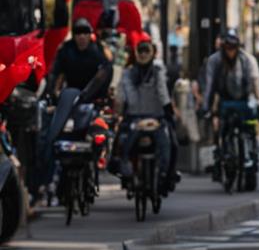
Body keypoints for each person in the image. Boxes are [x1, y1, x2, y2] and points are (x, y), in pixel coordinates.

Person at [113, 33, 177, 192]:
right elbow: (121, 96)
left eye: (145, 51)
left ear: (152, 53)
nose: (142, 54)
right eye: (140, 51)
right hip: (142, 118)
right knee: (121, 143)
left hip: (149, 117)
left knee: (171, 143)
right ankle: (164, 175)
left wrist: (168, 110)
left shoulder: (155, 72)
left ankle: (165, 174)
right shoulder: (132, 73)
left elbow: (162, 92)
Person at [202, 29, 259, 179]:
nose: (231, 51)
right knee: (219, 127)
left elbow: (254, 81)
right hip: (223, 99)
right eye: (228, 47)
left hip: (243, 100)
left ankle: (250, 155)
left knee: (249, 128)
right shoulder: (214, 60)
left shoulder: (246, 60)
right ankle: (219, 157)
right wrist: (207, 108)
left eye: (233, 47)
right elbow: (209, 86)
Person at [48, 18, 111, 100]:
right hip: (70, 92)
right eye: (78, 33)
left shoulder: (97, 49)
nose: (82, 37)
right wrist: (54, 92)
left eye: (85, 33)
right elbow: (55, 72)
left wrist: (99, 95)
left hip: (91, 95)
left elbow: (106, 70)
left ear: (89, 35)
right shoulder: (66, 49)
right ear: (74, 36)